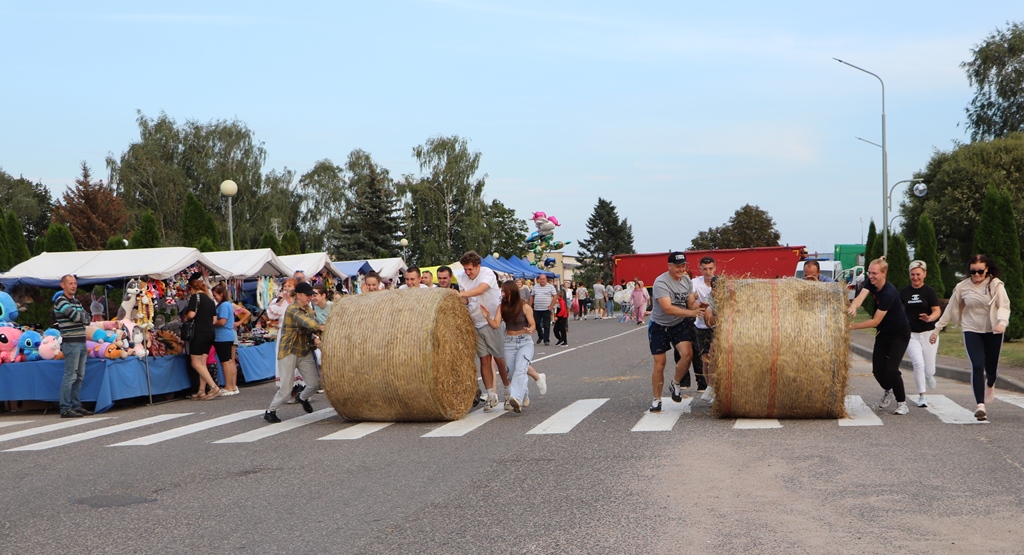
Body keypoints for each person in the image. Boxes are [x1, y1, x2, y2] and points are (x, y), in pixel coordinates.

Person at [931, 254, 1010, 421]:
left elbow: (1004, 306)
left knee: (991, 369)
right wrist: (936, 329)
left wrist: (1002, 322)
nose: (976, 275)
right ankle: (980, 406)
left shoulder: (995, 285)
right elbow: (950, 309)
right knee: (977, 364)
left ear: (986, 269)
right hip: (971, 329)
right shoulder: (962, 287)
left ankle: (990, 383)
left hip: (993, 330)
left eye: (980, 271)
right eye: (973, 272)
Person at [849, 257, 911, 415]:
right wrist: (854, 306)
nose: (871, 276)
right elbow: (860, 297)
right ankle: (888, 389)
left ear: (884, 273)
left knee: (891, 369)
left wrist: (851, 327)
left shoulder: (889, 293)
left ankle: (902, 402)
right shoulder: (870, 282)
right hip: (884, 333)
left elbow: (875, 321)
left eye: (874, 273)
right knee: (877, 371)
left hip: (899, 333)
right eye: (869, 273)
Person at [647, 253, 703, 413]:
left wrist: (699, 308)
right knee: (660, 363)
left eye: (683, 266)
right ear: (669, 266)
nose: (681, 269)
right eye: (678, 266)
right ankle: (656, 400)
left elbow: (690, 302)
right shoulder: (661, 282)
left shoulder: (686, 280)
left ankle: (676, 383)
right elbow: (668, 308)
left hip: (678, 324)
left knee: (688, 354)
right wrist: (691, 313)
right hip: (659, 325)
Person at [265, 282, 325, 423]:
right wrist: (322, 327)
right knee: (286, 388)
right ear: (298, 295)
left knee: (314, 383)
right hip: (289, 351)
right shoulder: (292, 309)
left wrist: (318, 335)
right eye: (308, 295)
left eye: (311, 295)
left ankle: (302, 398)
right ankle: (270, 411)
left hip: (304, 350)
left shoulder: (309, 309)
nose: (310, 297)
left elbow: (313, 325)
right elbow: (308, 323)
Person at [458, 251, 510, 411]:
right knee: (484, 360)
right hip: (476, 322)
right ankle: (491, 396)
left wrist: (461, 293)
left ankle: (509, 392)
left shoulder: (487, 273)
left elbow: (481, 290)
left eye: (470, 269)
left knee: (500, 359)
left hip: (492, 320)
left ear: (478, 266)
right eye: (465, 269)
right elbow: (465, 299)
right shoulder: (461, 277)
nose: (467, 273)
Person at [480, 281, 536, 412]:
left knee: (520, 369)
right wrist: (487, 317)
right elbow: (495, 325)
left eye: (505, 291)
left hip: (525, 341)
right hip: (509, 342)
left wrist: (530, 329)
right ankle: (524, 394)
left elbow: (533, 324)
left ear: (512, 291)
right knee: (510, 374)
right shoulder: (501, 307)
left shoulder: (525, 307)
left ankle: (516, 398)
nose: (503, 294)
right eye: (502, 291)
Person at [900, 260, 941, 407]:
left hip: (929, 333)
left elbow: (937, 310)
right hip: (911, 334)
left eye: (918, 274)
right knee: (918, 363)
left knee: (929, 369)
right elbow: (899, 311)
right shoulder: (904, 292)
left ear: (924, 274)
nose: (915, 278)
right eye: (912, 275)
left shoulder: (929, 291)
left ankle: (929, 375)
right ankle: (922, 395)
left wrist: (930, 318)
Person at [54, 275, 92, 418]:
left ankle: (76, 405)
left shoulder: (76, 301)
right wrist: (82, 317)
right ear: (62, 285)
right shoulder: (60, 301)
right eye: (70, 283)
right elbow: (77, 317)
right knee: (70, 376)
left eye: (75, 283)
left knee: (80, 376)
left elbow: (88, 319)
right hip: (71, 343)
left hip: (81, 342)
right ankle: (65, 407)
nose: (73, 286)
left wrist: (82, 317)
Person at [183, 272, 223, 400]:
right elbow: (214, 320)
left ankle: (214, 387)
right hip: (210, 333)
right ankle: (201, 390)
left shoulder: (196, 298)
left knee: (195, 363)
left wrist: (185, 318)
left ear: (192, 288)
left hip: (199, 333)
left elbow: (191, 315)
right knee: (202, 362)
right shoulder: (210, 300)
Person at [692, 256, 717, 399]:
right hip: (701, 326)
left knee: (715, 357)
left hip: (718, 327)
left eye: (710, 269)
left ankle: (713, 387)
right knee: (706, 358)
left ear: (715, 268)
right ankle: (709, 387)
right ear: (700, 269)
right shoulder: (695, 283)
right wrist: (696, 305)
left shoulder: (720, 282)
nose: (708, 272)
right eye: (705, 269)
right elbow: (689, 299)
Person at [212, 284, 240, 396]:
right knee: (229, 361)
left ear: (221, 294)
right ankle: (233, 385)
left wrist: (213, 322)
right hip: (228, 336)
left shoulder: (223, 306)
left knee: (225, 362)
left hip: (222, 337)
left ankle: (228, 386)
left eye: (215, 295)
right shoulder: (228, 304)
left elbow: (222, 321)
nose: (214, 297)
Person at [529, 273, 557, 346]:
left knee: (546, 325)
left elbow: (555, 296)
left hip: (546, 309)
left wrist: (551, 306)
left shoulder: (550, 287)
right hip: (537, 309)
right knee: (537, 324)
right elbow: (532, 296)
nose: (542, 280)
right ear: (538, 280)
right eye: (541, 279)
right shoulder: (535, 287)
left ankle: (546, 340)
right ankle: (541, 336)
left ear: (546, 279)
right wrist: (529, 306)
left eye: (543, 279)